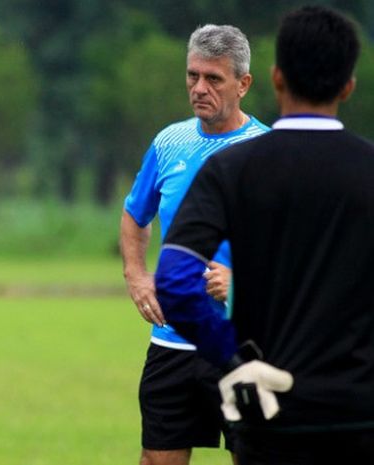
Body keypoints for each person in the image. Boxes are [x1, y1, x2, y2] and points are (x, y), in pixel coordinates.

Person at [155, 6, 374, 464]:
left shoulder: (231, 169)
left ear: (274, 78)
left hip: (269, 407)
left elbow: (174, 280)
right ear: (348, 86)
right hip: (358, 409)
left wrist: (232, 358)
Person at [120, 25, 269, 465]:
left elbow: (297, 247)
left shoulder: (267, 151)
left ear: (243, 84)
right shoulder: (170, 143)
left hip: (247, 343)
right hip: (172, 343)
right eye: (192, 76)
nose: (199, 89)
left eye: (213, 79)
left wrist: (241, 280)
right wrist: (137, 276)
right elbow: (134, 215)